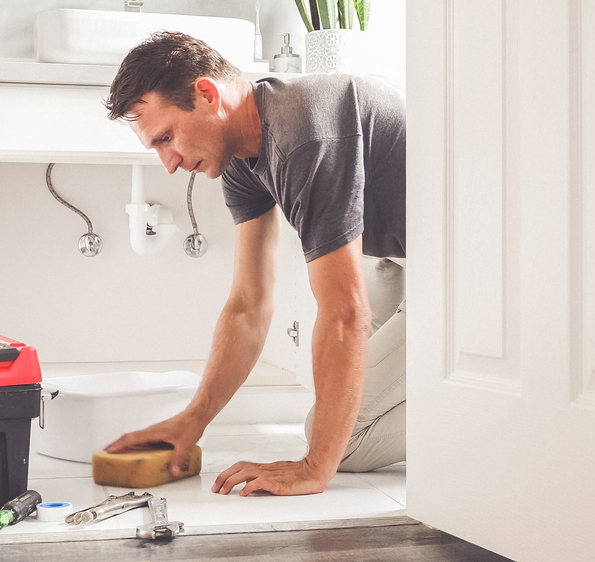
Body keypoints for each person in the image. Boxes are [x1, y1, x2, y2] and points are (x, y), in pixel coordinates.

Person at [102, 31, 406, 497]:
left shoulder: (303, 132)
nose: (168, 163)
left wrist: (313, 468)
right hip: (401, 253)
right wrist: (193, 420)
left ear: (207, 94)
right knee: (345, 401)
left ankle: (509, 414)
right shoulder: (244, 153)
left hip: (482, 258)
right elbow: (248, 303)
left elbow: (345, 312)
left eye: (166, 137)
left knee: (344, 446)